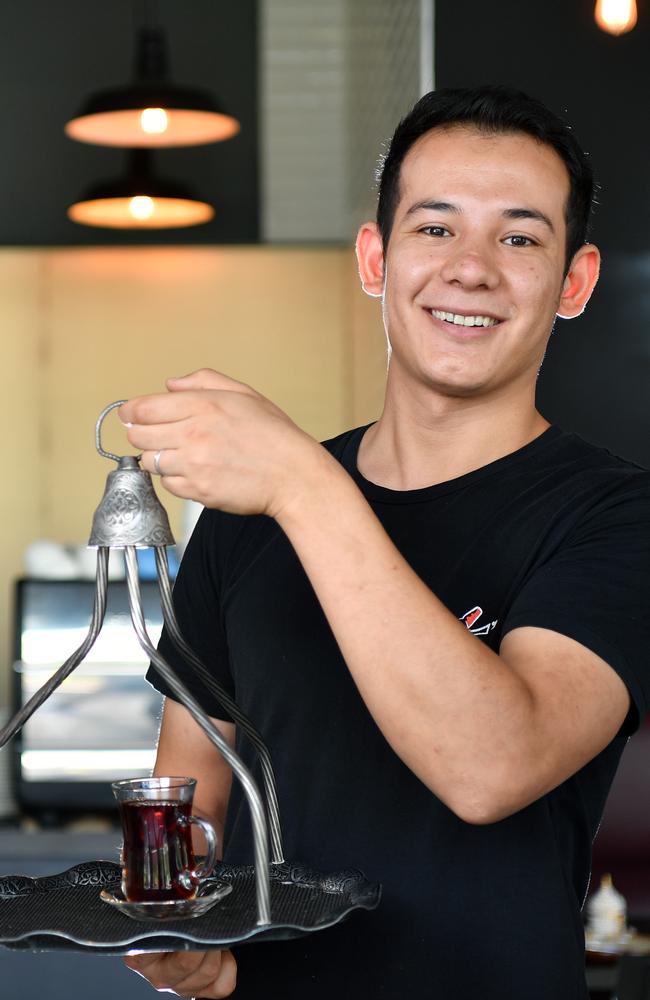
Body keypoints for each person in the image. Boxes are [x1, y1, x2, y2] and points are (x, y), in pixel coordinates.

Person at [118, 85, 650, 999]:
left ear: (576, 282)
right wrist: (179, 929)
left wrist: (301, 484)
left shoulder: (614, 517)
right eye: (434, 228)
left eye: (519, 238)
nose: (471, 269)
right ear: (376, 257)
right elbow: (190, 794)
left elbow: (493, 767)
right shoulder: (246, 519)